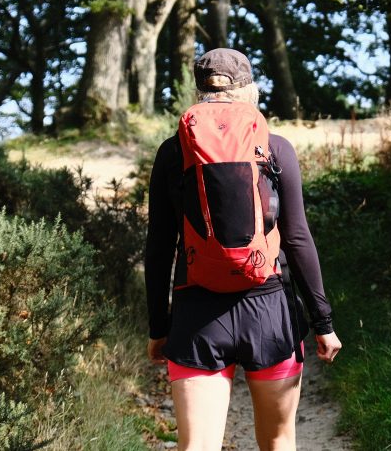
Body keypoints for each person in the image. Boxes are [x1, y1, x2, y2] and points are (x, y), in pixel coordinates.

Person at [145, 48, 342, 451]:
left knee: (197, 446)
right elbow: (298, 238)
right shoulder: (276, 147)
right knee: (278, 442)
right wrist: (323, 322)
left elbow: (159, 245)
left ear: (199, 91)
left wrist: (158, 328)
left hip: (197, 313)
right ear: (249, 89)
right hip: (271, 310)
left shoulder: (173, 151)